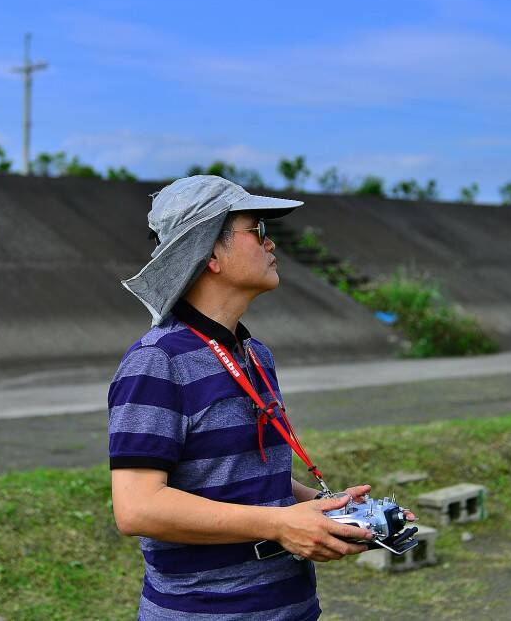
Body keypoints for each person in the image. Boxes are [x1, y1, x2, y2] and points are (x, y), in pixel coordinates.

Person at [109, 175, 410, 619]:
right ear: (210, 252)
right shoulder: (156, 362)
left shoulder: (254, 355)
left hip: (290, 605)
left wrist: (323, 509)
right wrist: (280, 524)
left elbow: (238, 474)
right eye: (258, 231)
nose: (272, 246)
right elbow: (137, 507)